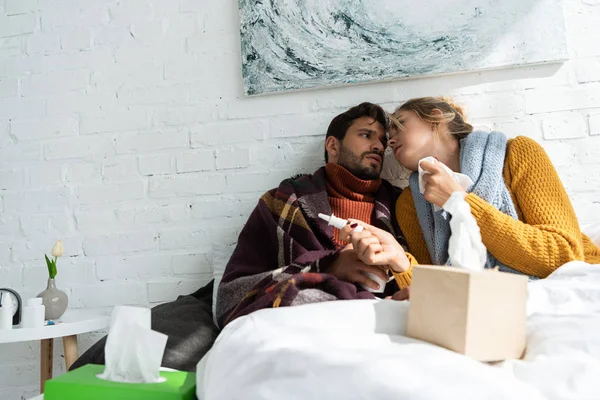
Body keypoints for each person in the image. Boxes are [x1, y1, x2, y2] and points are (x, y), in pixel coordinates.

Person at [339, 96, 600, 290]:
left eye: (400, 125)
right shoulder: (409, 202)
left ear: (436, 119)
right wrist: (400, 261)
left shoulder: (516, 154)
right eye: (389, 139)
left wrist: (459, 203)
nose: (390, 141)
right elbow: (438, 284)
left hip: (569, 288)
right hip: (485, 305)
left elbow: (565, 256)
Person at [216, 102, 415, 328]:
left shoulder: (402, 207)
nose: (378, 145)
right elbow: (230, 297)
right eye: (366, 134)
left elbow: (427, 286)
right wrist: (327, 267)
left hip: (380, 329)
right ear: (333, 145)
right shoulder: (282, 203)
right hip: (305, 328)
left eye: (381, 140)